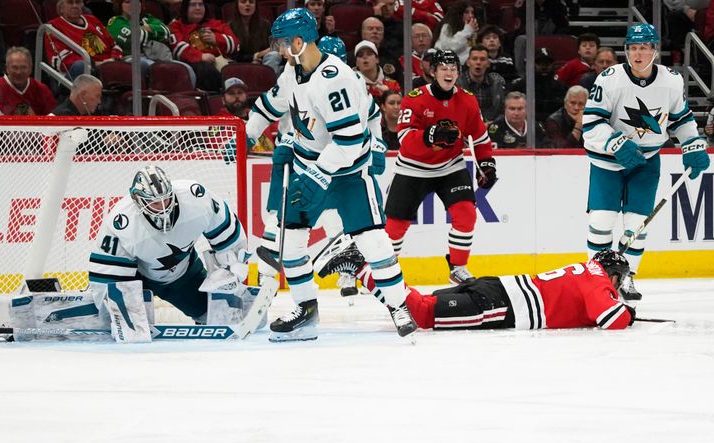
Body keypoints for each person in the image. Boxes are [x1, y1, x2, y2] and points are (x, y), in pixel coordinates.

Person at [250, 8, 415, 341]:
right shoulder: (291, 70)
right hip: (309, 165)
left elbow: (351, 141)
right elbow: (272, 104)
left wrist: (320, 173)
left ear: (299, 41)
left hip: (349, 174)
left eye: (283, 43)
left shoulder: (334, 78)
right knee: (291, 241)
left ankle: (399, 306)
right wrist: (245, 134)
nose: (279, 50)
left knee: (372, 240)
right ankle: (306, 309)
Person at [582, 22, 710, 303]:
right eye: (633, 48)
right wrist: (616, 143)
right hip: (608, 162)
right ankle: (597, 278)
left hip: (647, 161)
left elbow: (681, 119)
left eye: (644, 48)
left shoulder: (672, 80)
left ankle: (626, 276)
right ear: (626, 50)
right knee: (601, 221)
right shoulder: (610, 78)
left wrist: (692, 144)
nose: (638, 54)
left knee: (637, 224)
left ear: (655, 50)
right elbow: (590, 123)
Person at [315, 243, 635, 331]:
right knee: (421, 314)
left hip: (497, 290)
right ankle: (361, 266)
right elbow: (611, 319)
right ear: (613, 273)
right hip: (498, 307)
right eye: (618, 280)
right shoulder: (597, 277)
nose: (617, 287)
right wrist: (629, 312)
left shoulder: (584, 269)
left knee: (417, 305)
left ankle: (362, 268)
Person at [388, 49, 497, 285]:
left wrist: (487, 164)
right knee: (395, 226)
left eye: (453, 69)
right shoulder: (415, 98)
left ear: (459, 72)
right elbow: (405, 139)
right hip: (412, 168)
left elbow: (479, 138)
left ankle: (458, 267)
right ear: (433, 72)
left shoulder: (467, 99)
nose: (449, 73)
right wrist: (429, 136)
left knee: (466, 214)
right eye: (444, 69)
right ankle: (386, 270)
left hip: (450, 166)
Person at [88, 165, 248, 324]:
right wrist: (113, 311)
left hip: (183, 276)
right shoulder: (122, 222)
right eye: (155, 203)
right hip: (136, 279)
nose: (164, 208)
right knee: (119, 320)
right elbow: (107, 276)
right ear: (138, 200)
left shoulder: (196, 197)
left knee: (220, 317)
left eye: (166, 199)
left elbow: (229, 238)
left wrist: (232, 269)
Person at [169, 0, 239, 92]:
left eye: (200, 4)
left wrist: (216, 39)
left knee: (236, 69)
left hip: (221, 60)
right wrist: (200, 56)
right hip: (195, 63)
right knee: (205, 69)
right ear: (186, 8)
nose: (198, 8)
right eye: (193, 5)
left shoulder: (218, 24)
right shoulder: (176, 25)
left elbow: (236, 45)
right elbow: (178, 48)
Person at [46, 0, 123, 79]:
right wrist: (98, 64)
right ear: (61, 8)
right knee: (81, 66)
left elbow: (114, 45)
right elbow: (62, 61)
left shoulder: (93, 19)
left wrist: (114, 59)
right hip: (81, 74)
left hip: (110, 65)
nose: (75, 6)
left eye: (78, 2)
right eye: (70, 2)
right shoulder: (53, 26)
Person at [0, 47, 57, 116]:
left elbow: (53, 122)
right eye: (14, 67)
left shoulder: (41, 90)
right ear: (7, 68)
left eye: (23, 67)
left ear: (30, 68)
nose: (19, 72)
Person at [107, 0, 173, 68]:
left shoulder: (148, 18)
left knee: (181, 66)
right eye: (127, 2)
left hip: (158, 56)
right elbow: (135, 39)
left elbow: (166, 31)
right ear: (120, 6)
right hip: (129, 59)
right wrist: (154, 32)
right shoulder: (116, 22)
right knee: (151, 66)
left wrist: (148, 28)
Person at [511, 47, 567, 123]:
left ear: (553, 65)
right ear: (532, 64)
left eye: (548, 63)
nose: (544, 67)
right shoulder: (520, 86)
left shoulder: (561, 87)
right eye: (540, 63)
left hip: (555, 123)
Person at [227, 0, 283, 75]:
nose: (247, 4)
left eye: (251, 2)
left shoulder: (265, 25)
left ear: (255, 5)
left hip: (264, 62)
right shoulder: (229, 27)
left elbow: (275, 46)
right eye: (243, 2)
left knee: (274, 55)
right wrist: (255, 57)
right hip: (239, 64)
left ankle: (269, 83)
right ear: (237, 5)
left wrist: (260, 58)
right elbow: (233, 55)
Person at [456, 45, 506, 125]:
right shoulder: (456, 84)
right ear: (468, 62)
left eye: (482, 59)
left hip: (491, 128)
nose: (478, 62)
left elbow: (502, 112)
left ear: (488, 63)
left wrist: (492, 124)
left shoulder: (496, 84)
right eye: (474, 59)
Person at [360, 16, 403, 84]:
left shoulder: (391, 57)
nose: (375, 31)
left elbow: (401, 84)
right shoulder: (352, 57)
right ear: (362, 32)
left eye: (378, 29)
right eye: (370, 29)